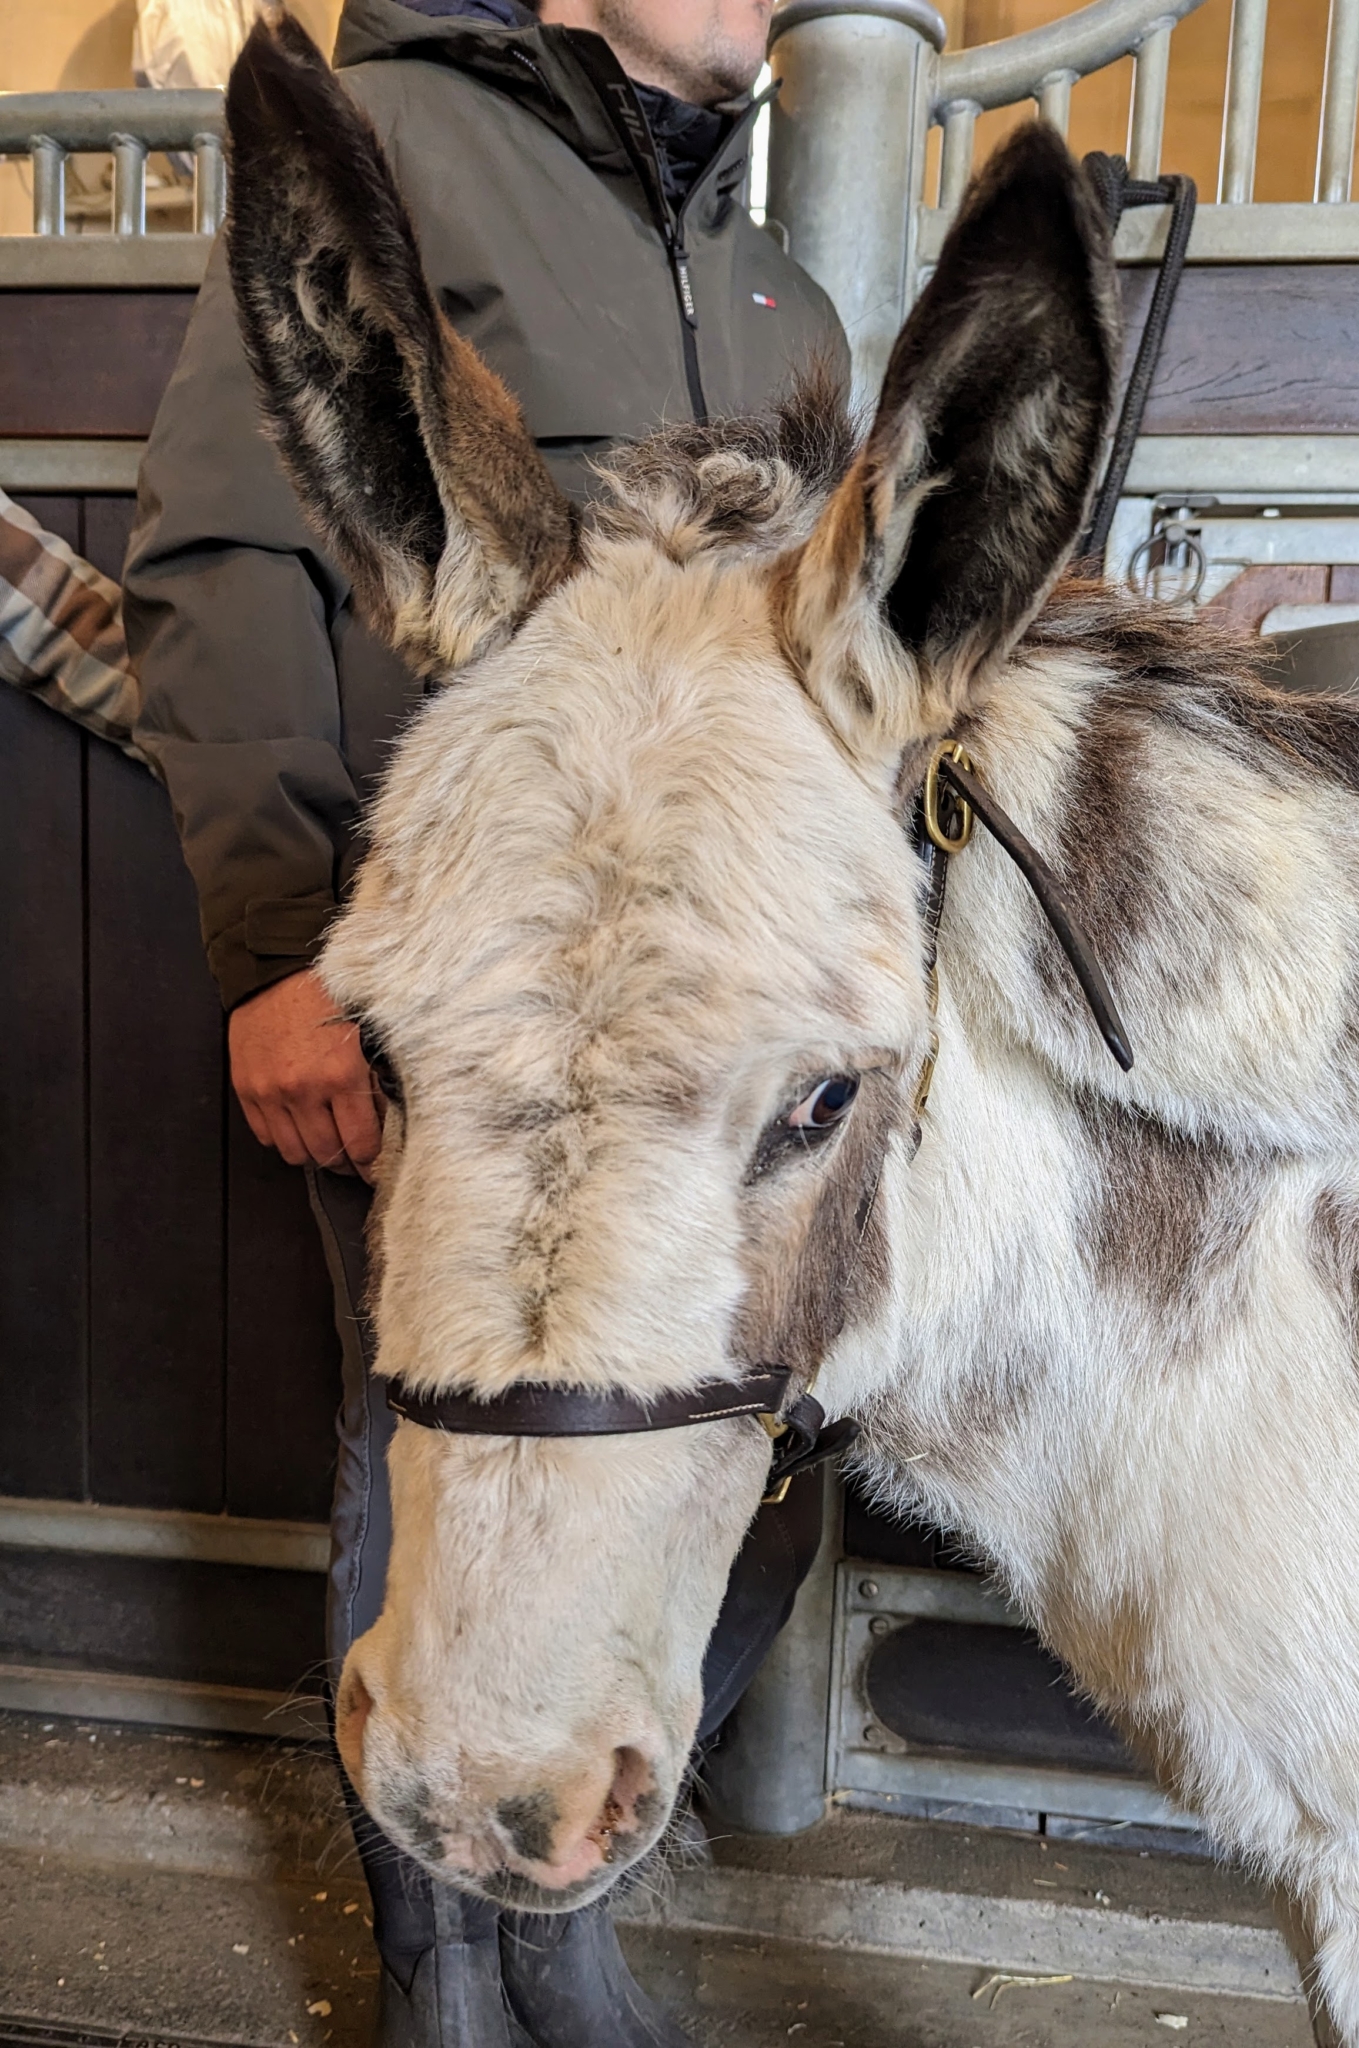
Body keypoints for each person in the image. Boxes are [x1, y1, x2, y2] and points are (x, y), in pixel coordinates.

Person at [122, 2, 848, 2043]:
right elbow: (218, 545)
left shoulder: (774, 278)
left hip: (698, 1031)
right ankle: (438, 1962)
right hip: (473, 1010)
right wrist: (280, 945)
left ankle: (558, 1922)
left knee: (741, 1453)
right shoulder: (396, 143)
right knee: (432, 1459)